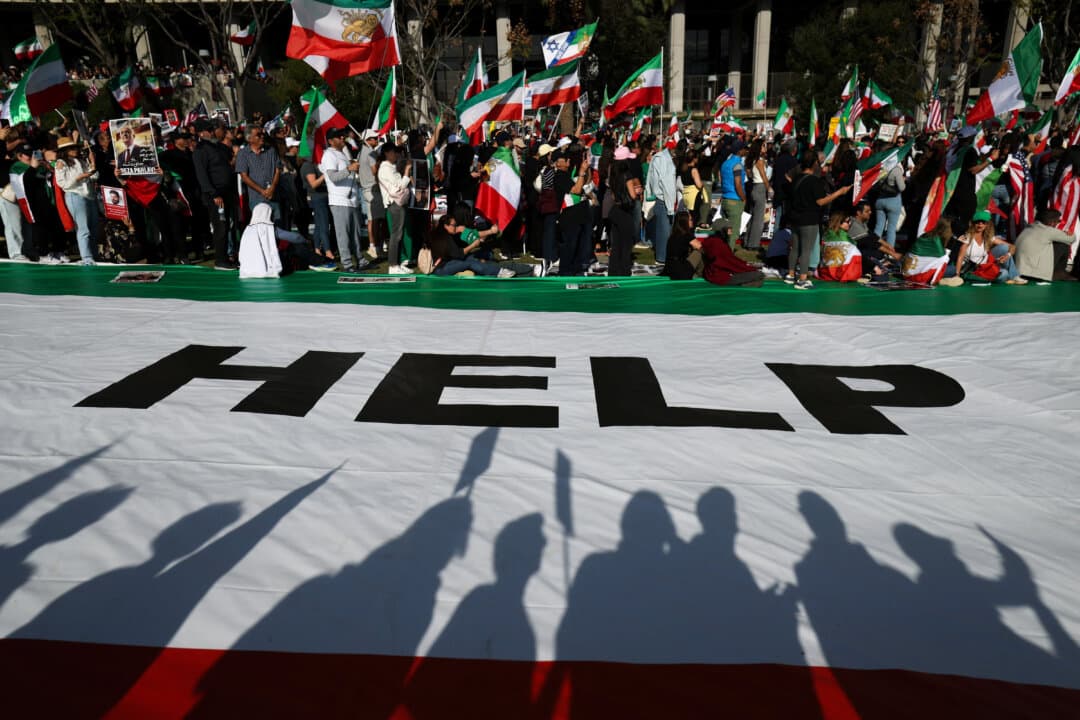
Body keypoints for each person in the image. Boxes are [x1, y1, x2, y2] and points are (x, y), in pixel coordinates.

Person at [785, 151, 851, 290]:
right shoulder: (814, 181)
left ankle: (791, 274)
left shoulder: (796, 178)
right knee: (806, 250)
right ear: (815, 163)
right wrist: (839, 193)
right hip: (809, 219)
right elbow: (821, 201)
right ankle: (802, 279)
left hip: (795, 217)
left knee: (795, 248)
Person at [238, 202, 336, 279]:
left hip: (247, 270)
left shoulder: (248, 230)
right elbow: (295, 238)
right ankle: (321, 262)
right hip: (269, 269)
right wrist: (305, 241)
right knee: (295, 247)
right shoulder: (269, 228)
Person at [321, 127, 370, 273]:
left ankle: (360, 260)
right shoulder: (329, 155)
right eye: (338, 136)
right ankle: (348, 264)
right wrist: (349, 169)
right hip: (340, 200)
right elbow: (333, 177)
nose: (342, 138)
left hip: (352, 199)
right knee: (343, 235)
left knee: (355, 234)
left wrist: (351, 168)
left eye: (342, 135)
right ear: (330, 141)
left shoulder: (341, 154)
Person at [192, 118, 237, 270]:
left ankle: (228, 256)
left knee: (228, 225)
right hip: (215, 195)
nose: (216, 132)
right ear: (204, 132)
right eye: (211, 130)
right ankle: (221, 259)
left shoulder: (217, 147)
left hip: (227, 192)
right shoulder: (201, 150)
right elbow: (202, 175)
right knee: (221, 226)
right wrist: (213, 194)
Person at [53, 137, 99, 265]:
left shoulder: (81, 160)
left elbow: (94, 176)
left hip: (89, 195)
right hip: (75, 195)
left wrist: (92, 163)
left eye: (76, 147)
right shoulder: (61, 163)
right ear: (65, 150)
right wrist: (79, 178)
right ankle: (87, 257)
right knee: (83, 228)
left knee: (94, 227)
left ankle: (94, 255)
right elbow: (63, 184)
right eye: (72, 148)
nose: (76, 150)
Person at [954, 210, 1025, 284]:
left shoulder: (988, 237)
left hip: (985, 267)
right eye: (977, 222)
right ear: (973, 223)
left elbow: (1012, 246)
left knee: (1004, 250)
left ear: (987, 224)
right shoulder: (967, 237)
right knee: (1004, 274)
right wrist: (957, 275)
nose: (980, 224)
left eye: (983, 222)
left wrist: (1008, 255)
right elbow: (960, 257)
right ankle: (989, 278)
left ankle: (1014, 276)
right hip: (972, 270)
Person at [552, 148, 592, 275]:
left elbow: (585, 182)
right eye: (565, 159)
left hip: (576, 214)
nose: (568, 161)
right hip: (568, 216)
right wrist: (581, 172)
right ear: (557, 163)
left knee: (576, 245)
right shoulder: (559, 176)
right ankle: (565, 271)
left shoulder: (566, 173)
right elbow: (576, 190)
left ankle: (574, 268)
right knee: (569, 245)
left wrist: (585, 170)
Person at [691, 218, 764, 287]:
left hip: (715, 274)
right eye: (729, 228)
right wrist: (749, 268)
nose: (731, 231)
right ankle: (742, 285)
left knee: (758, 277)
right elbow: (729, 262)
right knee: (758, 275)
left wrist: (746, 266)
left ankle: (744, 284)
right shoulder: (717, 243)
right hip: (720, 276)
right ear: (722, 229)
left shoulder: (714, 241)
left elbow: (730, 260)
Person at [377, 141, 413, 273]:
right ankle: (393, 265)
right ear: (387, 153)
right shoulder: (385, 168)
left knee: (399, 234)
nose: (396, 154)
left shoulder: (391, 167)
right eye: (394, 152)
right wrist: (407, 171)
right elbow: (400, 185)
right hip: (394, 204)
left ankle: (397, 263)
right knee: (395, 235)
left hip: (398, 203)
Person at [1015, 208, 1076, 283]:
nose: (1058, 224)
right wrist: (1070, 233)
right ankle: (1059, 273)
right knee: (1063, 245)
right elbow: (1071, 239)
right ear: (1051, 222)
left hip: (1019, 271)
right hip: (1035, 274)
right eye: (1058, 221)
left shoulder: (1028, 227)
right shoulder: (1048, 231)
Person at [605, 159, 644, 277]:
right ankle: (624, 270)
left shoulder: (613, 178)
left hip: (615, 211)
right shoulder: (627, 176)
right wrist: (638, 191)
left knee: (616, 244)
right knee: (626, 245)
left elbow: (613, 195)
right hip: (624, 212)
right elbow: (632, 195)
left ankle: (613, 271)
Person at [235, 127, 281, 217]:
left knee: (277, 226)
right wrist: (262, 191)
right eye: (258, 135)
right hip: (256, 198)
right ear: (249, 139)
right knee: (261, 227)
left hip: (274, 196)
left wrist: (273, 187)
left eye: (262, 134)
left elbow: (278, 170)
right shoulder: (243, 154)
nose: (262, 137)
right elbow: (244, 176)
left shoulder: (271, 151)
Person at [644, 140, 677, 263]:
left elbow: (651, 176)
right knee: (664, 233)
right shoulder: (664, 160)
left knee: (663, 232)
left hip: (663, 199)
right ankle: (662, 258)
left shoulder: (660, 158)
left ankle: (662, 256)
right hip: (664, 200)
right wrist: (670, 207)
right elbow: (666, 184)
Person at [300, 152, 332, 260]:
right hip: (317, 198)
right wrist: (325, 175)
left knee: (319, 225)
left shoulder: (313, 164)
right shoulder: (308, 165)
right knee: (323, 225)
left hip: (321, 197)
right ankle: (328, 251)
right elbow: (313, 184)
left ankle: (317, 249)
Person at [873, 151, 906, 247]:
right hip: (894, 201)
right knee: (891, 229)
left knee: (878, 227)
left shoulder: (882, 169)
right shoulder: (896, 170)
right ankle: (889, 252)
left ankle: (874, 247)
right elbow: (902, 188)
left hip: (880, 200)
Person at [357, 128, 381, 258]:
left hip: (365, 188)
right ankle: (373, 246)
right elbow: (374, 171)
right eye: (374, 138)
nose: (376, 140)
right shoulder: (370, 152)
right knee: (374, 220)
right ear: (368, 140)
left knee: (372, 220)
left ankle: (374, 245)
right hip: (372, 189)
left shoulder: (361, 152)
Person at [719, 140, 747, 246]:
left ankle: (724, 255)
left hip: (726, 198)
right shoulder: (737, 165)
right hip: (735, 200)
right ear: (740, 151)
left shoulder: (725, 163)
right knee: (733, 234)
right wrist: (744, 198)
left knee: (726, 232)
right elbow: (738, 184)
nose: (746, 150)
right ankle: (728, 257)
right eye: (744, 149)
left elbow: (721, 180)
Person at [745, 138, 770, 251]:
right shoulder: (759, 161)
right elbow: (764, 176)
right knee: (758, 218)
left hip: (754, 187)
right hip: (760, 187)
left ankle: (748, 241)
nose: (765, 148)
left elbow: (750, 174)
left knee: (752, 216)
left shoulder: (751, 160)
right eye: (763, 146)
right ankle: (754, 243)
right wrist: (769, 188)